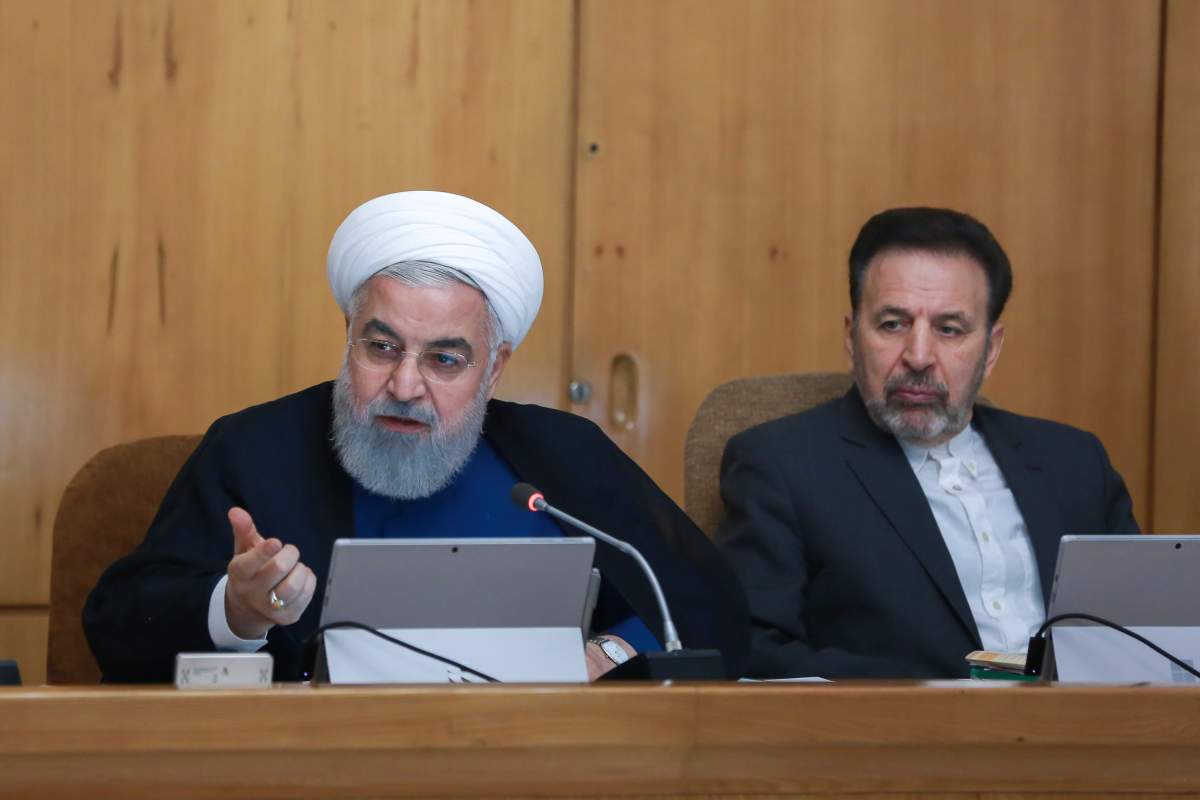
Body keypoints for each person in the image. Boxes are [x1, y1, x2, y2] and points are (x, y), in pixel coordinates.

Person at [85, 191, 749, 683]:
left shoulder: (563, 459)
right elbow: (118, 625)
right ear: (348, 335)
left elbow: (701, 600)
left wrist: (608, 654)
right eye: (381, 347)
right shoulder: (254, 452)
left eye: (444, 359)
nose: (404, 384)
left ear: (496, 366)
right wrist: (237, 609)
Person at [716, 207, 1138, 679]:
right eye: (893, 324)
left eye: (949, 329)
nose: (918, 356)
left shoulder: (1076, 463)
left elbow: (1148, 640)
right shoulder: (781, 465)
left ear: (991, 349)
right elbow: (752, 650)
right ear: (852, 338)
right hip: (903, 744)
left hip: (1090, 738)